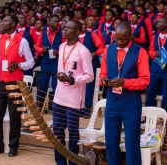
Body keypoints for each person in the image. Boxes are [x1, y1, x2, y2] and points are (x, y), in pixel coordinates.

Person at [100, 21, 150, 165]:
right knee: (110, 140)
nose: (120, 42)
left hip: (131, 103)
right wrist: (104, 79)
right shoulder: (107, 50)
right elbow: (103, 72)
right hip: (112, 101)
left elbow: (145, 80)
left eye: (124, 39)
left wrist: (125, 82)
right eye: (117, 39)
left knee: (131, 142)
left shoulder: (140, 52)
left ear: (131, 36)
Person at [0, 14, 34, 157]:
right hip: (0, 81)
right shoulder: (0, 38)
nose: (1, 24)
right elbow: (2, 57)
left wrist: (19, 65)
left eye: (5, 21)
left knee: (15, 116)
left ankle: (13, 146)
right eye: (1, 21)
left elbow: (31, 61)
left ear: (13, 24)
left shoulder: (22, 42)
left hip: (15, 82)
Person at [53, 20, 94, 165]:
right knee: (57, 130)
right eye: (64, 27)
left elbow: (90, 76)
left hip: (74, 98)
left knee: (72, 131)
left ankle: (73, 161)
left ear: (77, 32)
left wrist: (72, 79)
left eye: (68, 28)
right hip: (59, 96)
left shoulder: (83, 51)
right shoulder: (61, 46)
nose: (64, 30)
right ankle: (60, 161)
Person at [146, 16, 167, 109]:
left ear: (166, 24)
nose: (157, 24)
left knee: (166, 92)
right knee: (151, 90)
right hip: (156, 67)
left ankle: (165, 115)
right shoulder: (154, 36)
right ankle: (148, 113)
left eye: (160, 22)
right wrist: (153, 53)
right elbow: (151, 49)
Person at [35, 15, 63, 111]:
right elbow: (37, 47)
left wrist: (58, 52)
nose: (57, 24)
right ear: (49, 22)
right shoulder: (42, 34)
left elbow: (64, 48)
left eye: (58, 22)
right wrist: (41, 49)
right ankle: (40, 106)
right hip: (45, 62)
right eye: (55, 21)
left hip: (56, 63)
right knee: (42, 85)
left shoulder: (61, 34)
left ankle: (56, 107)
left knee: (56, 86)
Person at [78, 18, 104, 117]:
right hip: (78, 65)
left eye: (85, 24)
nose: (84, 26)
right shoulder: (74, 36)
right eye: (82, 24)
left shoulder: (92, 34)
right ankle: (79, 108)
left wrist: (94, 53)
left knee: (89, 86)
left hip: (90, 64)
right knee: (79, 86)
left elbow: (101, 47)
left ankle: (87, 109)